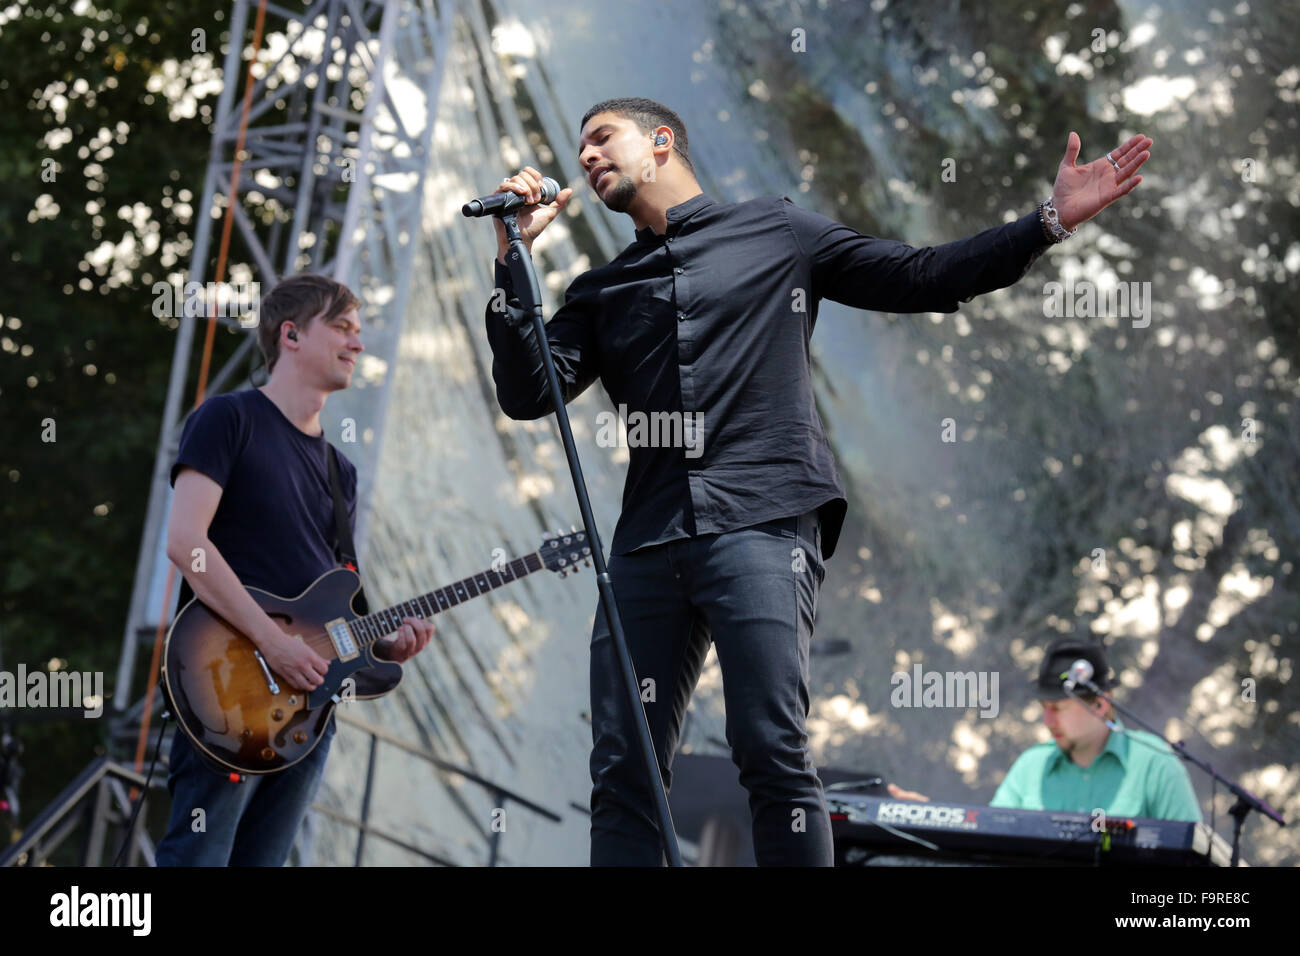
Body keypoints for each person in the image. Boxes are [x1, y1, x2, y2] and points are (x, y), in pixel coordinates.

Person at [482, 97, 1152, 865]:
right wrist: (511, 261)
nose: (588, 156)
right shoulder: (603, 289)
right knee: (622, 767)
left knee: (770, 746)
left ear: (662, 142)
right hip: (648, 542)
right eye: (581, 148)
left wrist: (1047, 222)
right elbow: (528, 392)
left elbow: (922, 275)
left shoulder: (778, 231)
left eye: (603, 138)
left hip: (763, 522)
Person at [155, 273, 433, 866]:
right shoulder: (228, 419)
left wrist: (383, 644)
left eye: (360, 332)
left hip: (309, 707)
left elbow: (337, 596)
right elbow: (186, 543)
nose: (358, 343)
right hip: (227, 687)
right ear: (291, 334)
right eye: (341, 327)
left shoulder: (341, 472)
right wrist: (271, 643)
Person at [990, 638, 1203, 821]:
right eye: (1044, 708)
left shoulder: (1156, 764)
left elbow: (1194, 856)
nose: (1048, 720)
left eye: (1058, 708)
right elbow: (986, 846)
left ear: (1101, 704)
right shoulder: (1030, 767)